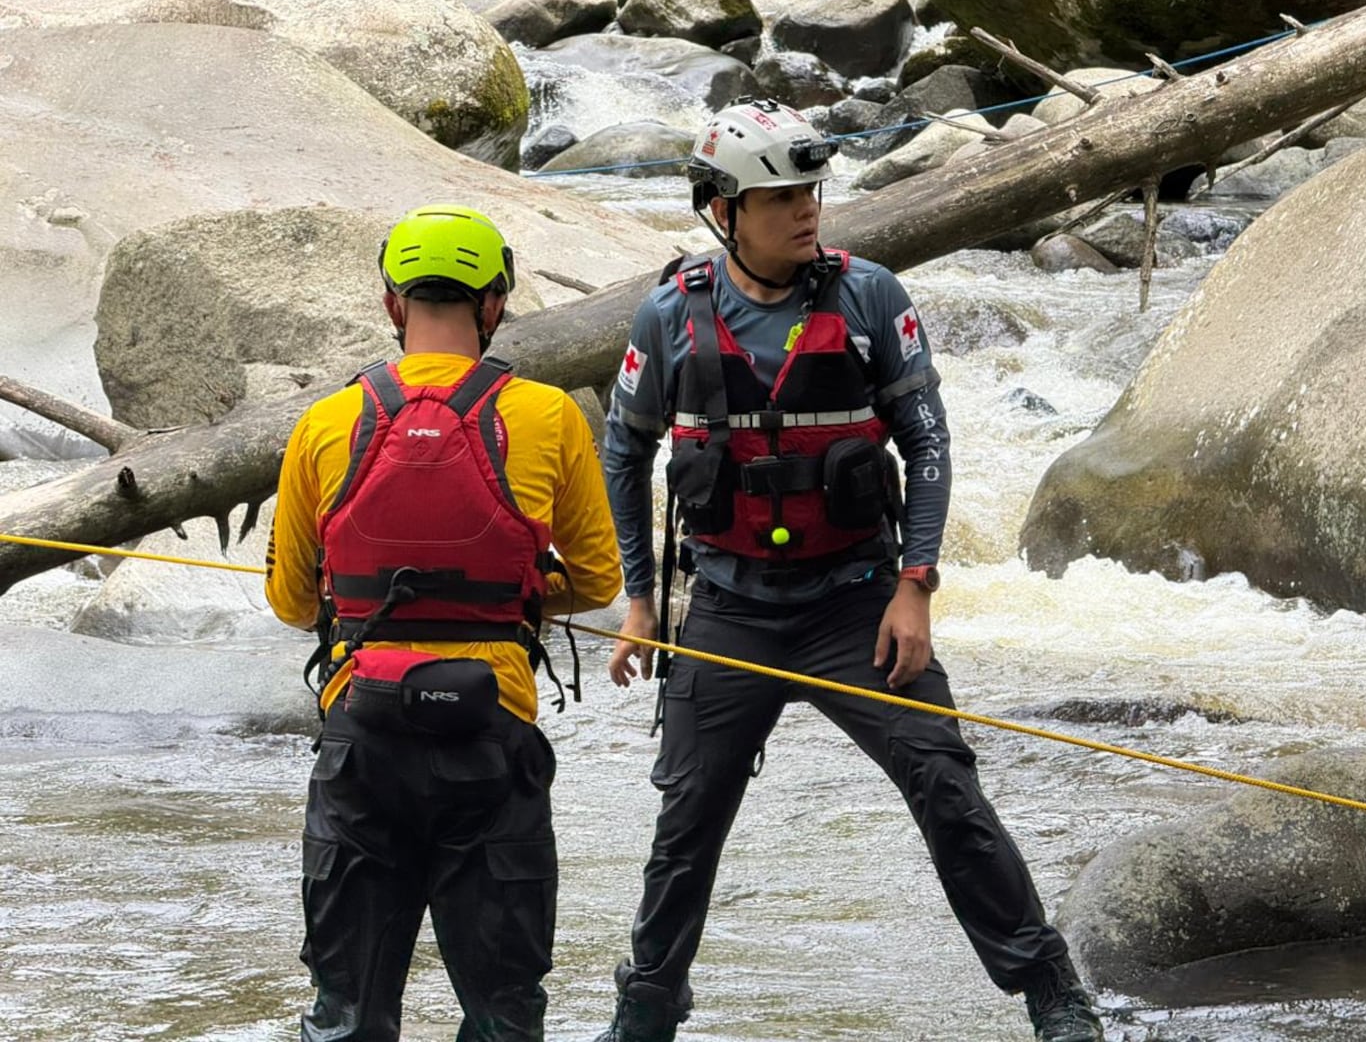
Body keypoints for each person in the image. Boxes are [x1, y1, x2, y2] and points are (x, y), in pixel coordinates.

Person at [594, 100, 1105, 1042]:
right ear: (724, 210)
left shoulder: (872, 296)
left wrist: (915, 586)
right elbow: (623, 455)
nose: (806, 209)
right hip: (730, 611)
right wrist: (641, 599)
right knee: (686, 824)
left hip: (857, 605)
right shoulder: (669, 315)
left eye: (811, 190)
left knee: (946, 787)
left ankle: (1053, 993)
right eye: (781, 195)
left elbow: (929, 442)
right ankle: (648, 1008)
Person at [265, 204, 623, 1042]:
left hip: (362, 741)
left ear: (394, 306)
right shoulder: (550, 414)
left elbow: (290, 602)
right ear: (493, 305)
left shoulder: (325, 422)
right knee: (502, 1017)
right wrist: (511, 593)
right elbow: (601, 578)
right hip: (492, 742)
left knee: (347, 1014)